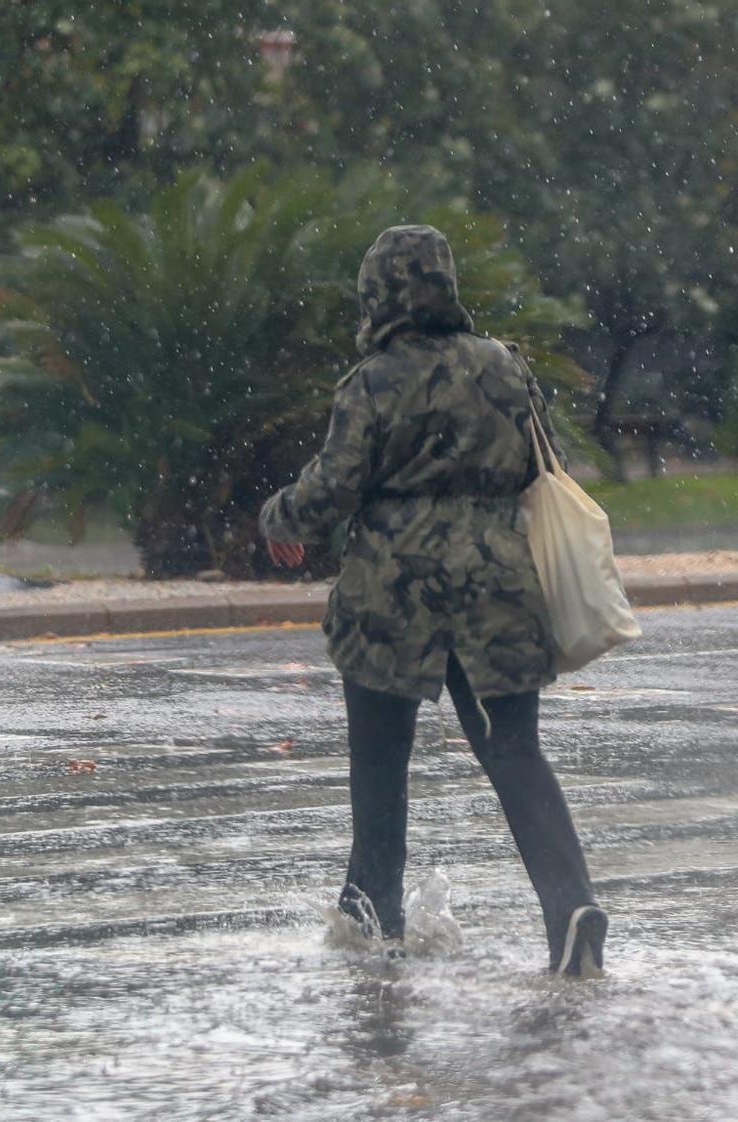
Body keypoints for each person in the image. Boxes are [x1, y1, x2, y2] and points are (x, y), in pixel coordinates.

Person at [259, 224, 606, 977]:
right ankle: (571, 905)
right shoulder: (505, 368)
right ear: (446, 286)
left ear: (378, 294)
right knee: (515, 753)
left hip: (391, 596)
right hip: (499, 590)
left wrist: (277, 518)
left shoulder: (373, 381)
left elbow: (331, 490)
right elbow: (544, 463)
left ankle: (373, 922)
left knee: (379, 766)